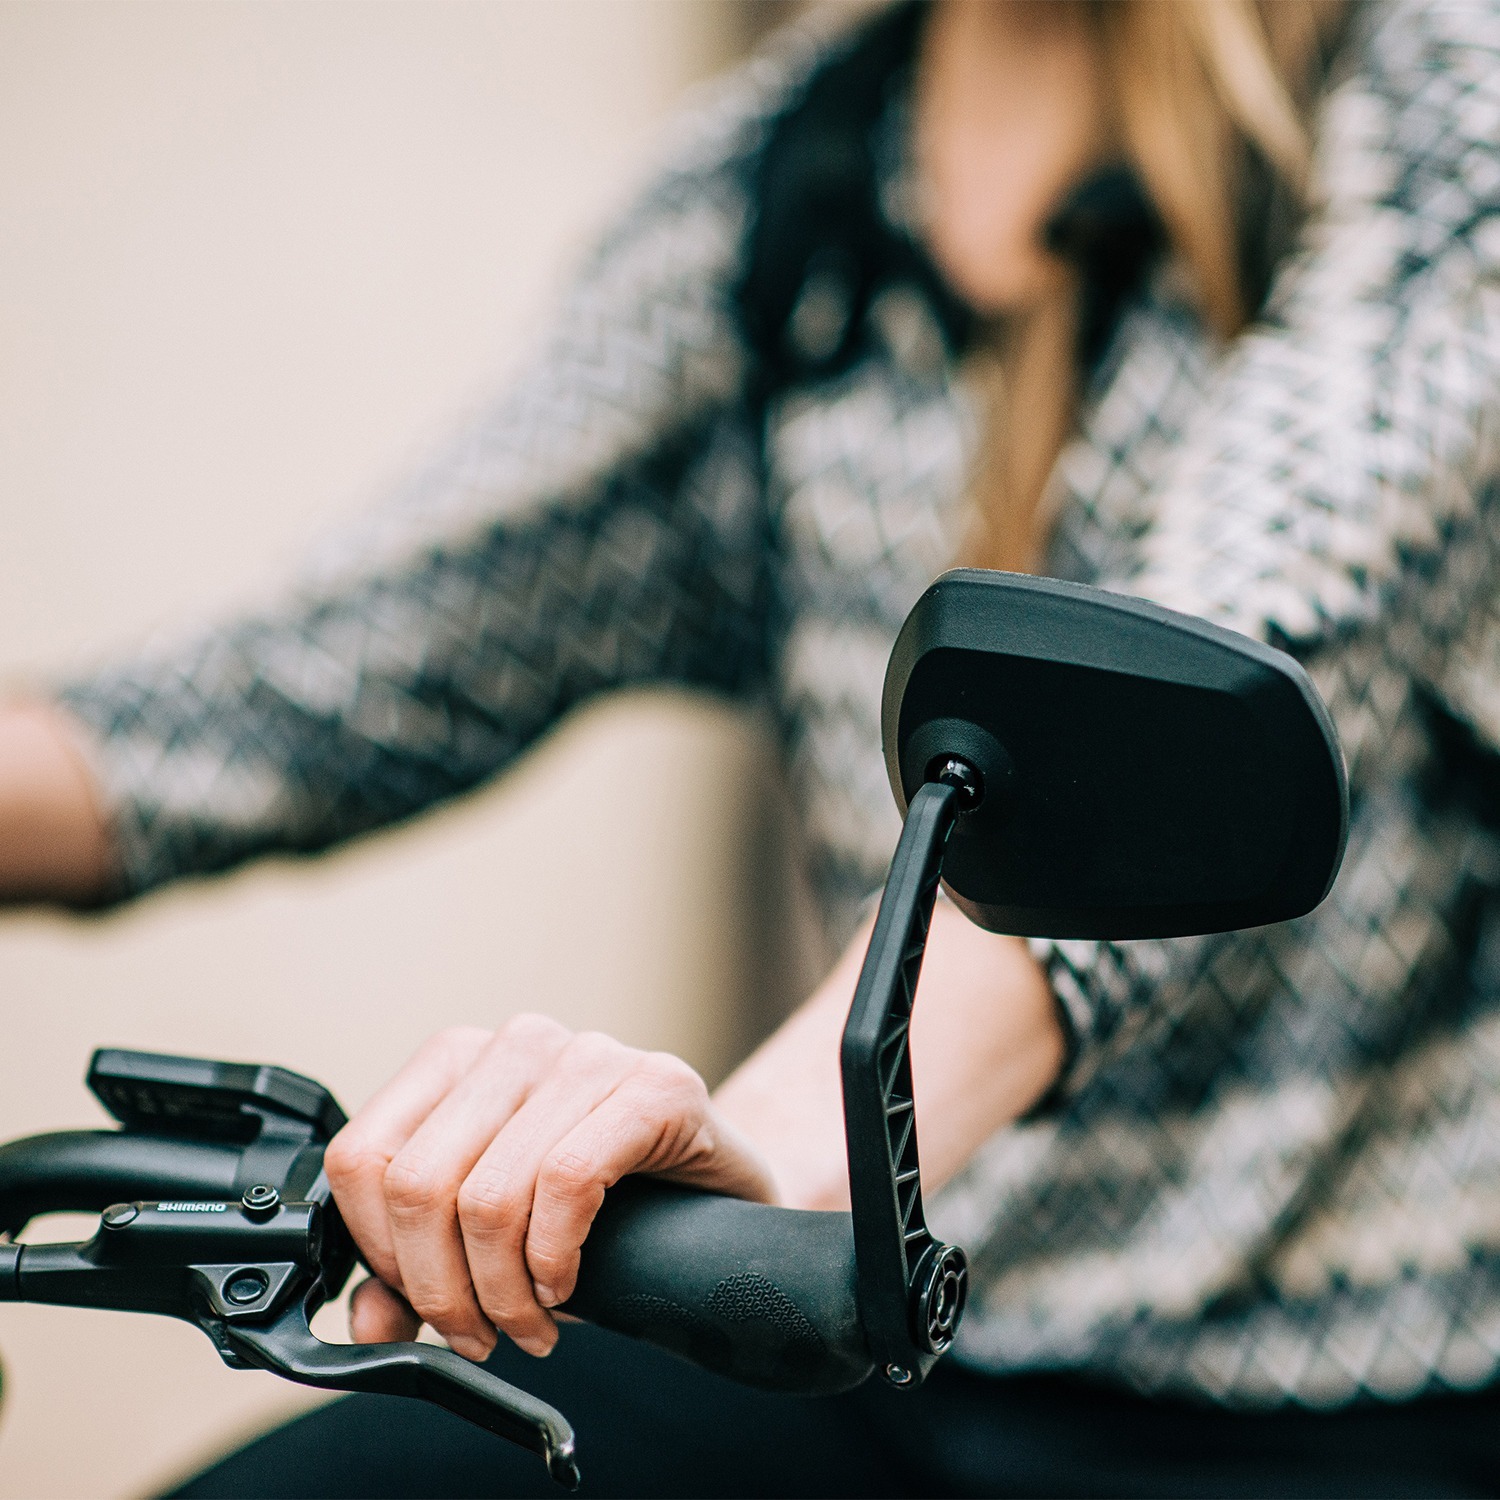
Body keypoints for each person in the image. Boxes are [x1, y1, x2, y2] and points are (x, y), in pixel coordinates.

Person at [5, 0, 1500, 1493]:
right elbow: (311, 687)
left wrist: (771, 1154)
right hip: (886, 1362)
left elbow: (1210, 675)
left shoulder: (1431, 104)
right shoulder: (785, 185)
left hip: (1342, 1393)